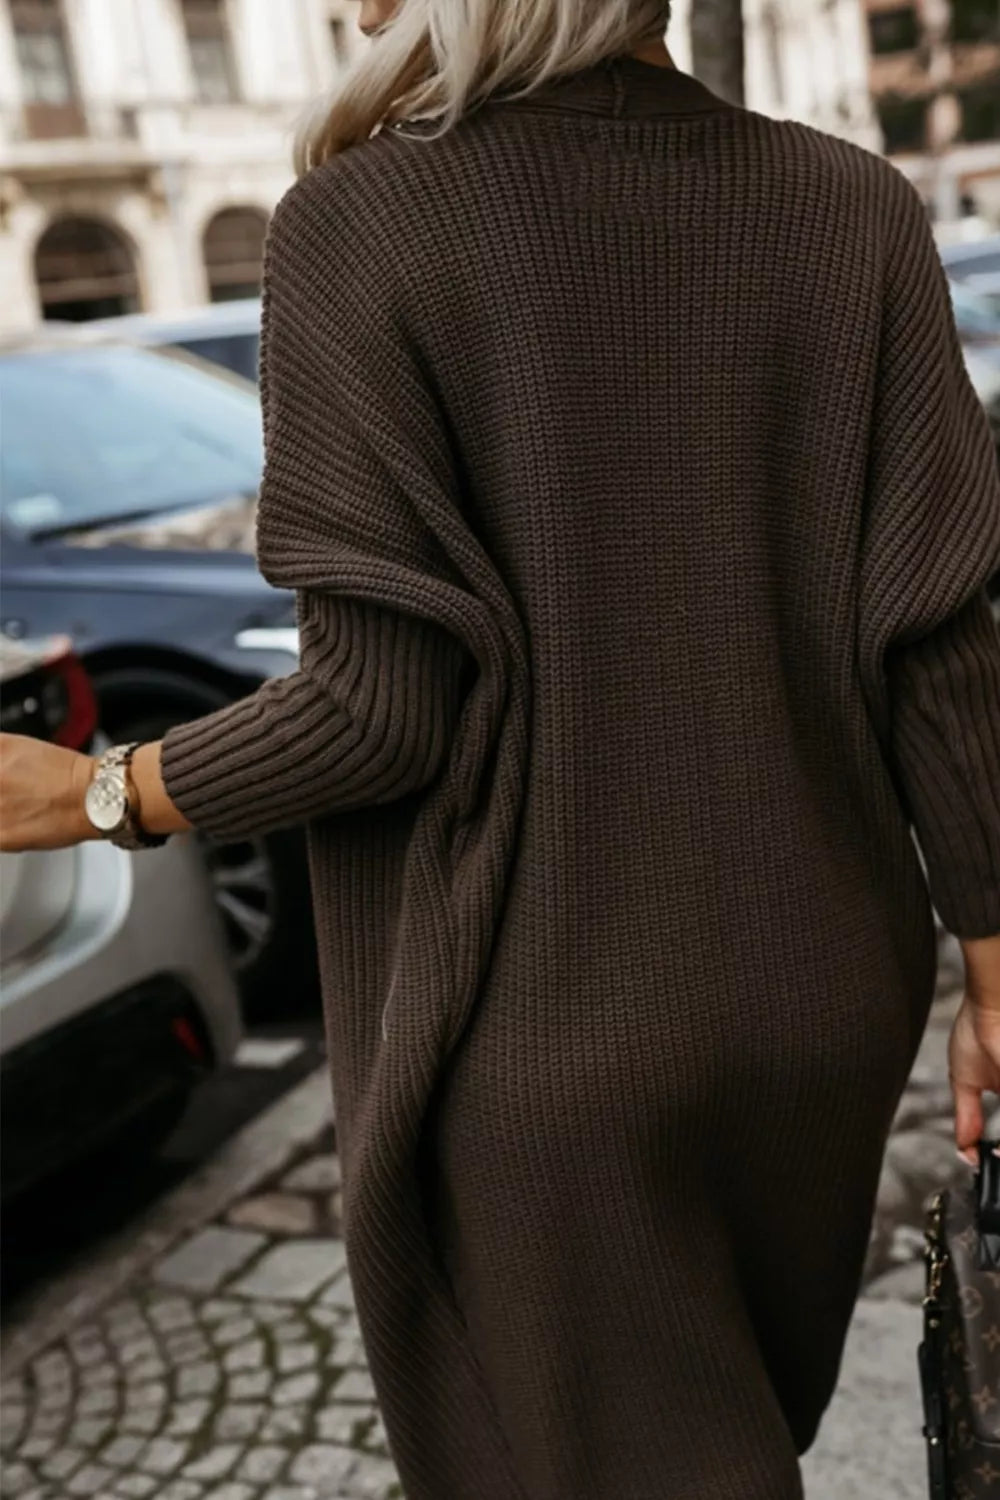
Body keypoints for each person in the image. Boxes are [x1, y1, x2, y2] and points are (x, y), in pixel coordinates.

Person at [2, 2, 1000, 1496]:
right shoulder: (852, 203)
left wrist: (98, 793)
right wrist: (992, 970)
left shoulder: (361, 222)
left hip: (548, 1035)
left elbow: (376, 709)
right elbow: (940, 642)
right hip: (827, 1007)